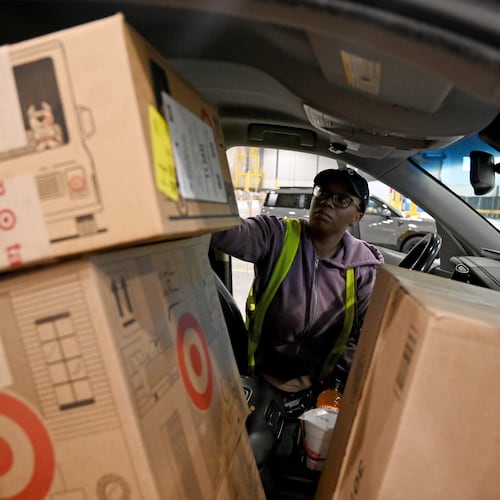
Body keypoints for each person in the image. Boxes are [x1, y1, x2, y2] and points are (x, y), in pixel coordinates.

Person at [211, 167, 384, 397]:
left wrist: (335, 388)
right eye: (322, 192)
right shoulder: (277, 236)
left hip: (320, 390)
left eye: (342, 199)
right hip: (258, 378)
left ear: (357, 216)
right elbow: (228, 232)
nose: (326, 202)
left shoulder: (363, 268)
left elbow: (365, 336)